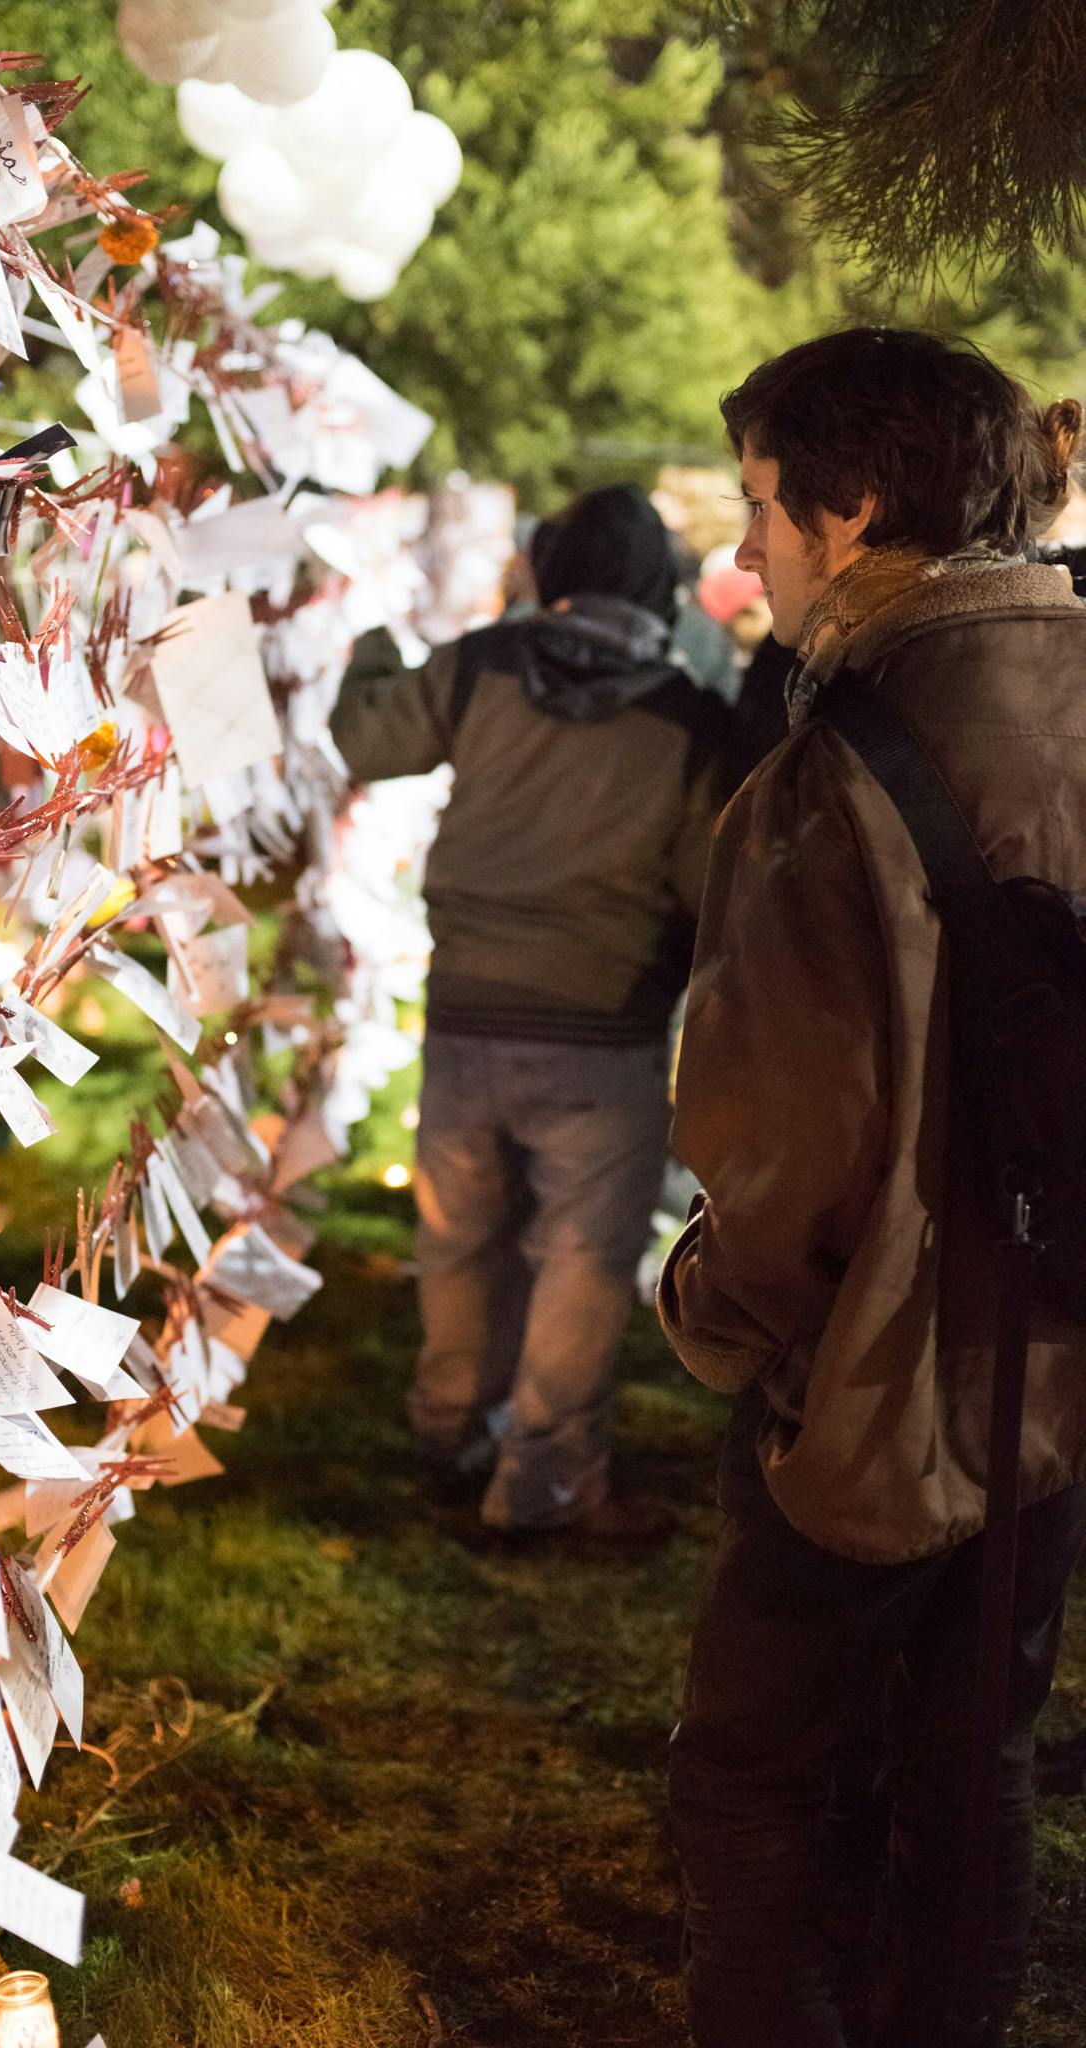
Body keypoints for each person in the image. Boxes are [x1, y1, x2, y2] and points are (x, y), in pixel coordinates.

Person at [656, 326, 1086, 2048]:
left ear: (849, 512)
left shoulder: (824, 781)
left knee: (750, 1781)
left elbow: (778, 1160)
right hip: (1064, 1358)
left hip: (876, 1382)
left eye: (763, 506)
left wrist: (716, 1324)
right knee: (971, 1761)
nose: (749, 549)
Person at [330, 483, 732, 1536]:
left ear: (547, 569)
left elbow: (369, 743)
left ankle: (445, 1426)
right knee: (584, 1260)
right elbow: (707, 891)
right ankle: (543, 1481)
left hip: (465, 1011)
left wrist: (369, 639)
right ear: (661, 587)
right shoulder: (689, 718)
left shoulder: (482, 663)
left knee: (456, 1238)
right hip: (604, 1031)